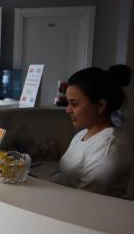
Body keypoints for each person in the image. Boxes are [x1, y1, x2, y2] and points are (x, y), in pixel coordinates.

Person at [53, 64, 132, 196]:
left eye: (75, 104)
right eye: (68, 103)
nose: (68, 110)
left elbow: (86, 200)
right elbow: (64, 177)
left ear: (100, 105)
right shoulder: (82, 135)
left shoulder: (109, 145)